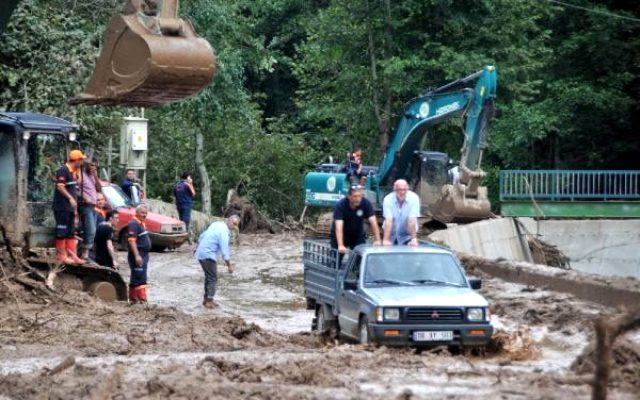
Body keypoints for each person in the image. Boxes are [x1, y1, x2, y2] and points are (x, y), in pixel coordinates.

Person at [194, 215, 240, 308]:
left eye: (236, 225)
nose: (234, 227)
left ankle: (206, 299)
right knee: (213, 278)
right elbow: (224, 251)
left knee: (209, 277)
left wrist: (197, 248)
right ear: (229, 220)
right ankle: (209, 301)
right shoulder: (224, 233)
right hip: (208, 254)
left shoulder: (217, 224)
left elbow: (202, 236)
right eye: (234, 224)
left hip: (201, 253)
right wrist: (229, 266)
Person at [52, 149, 85, 265]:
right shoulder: (63, 170)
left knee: (71, 232)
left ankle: (72, 255)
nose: (82, 163)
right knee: (62, 231)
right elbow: (60, 187)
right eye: (81, 160)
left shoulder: (73, 171)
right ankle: (61, 256)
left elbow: (78, 182)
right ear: (77, 160)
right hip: (62, 206)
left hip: (70, 208)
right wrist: (70, 198)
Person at [330, 185, 381, 255]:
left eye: (360, 196)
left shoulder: (366, 203)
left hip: (357, 235)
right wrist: (340, 245)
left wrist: (377, 240)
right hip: (340, 235)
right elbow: (339, 226)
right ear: (349, 196)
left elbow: (373, 221)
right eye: (355, 196)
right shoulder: (340, 205)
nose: (358, 199)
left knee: (360, 258)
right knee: (335, 260)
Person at [382, 179, 420, 247]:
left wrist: (414, 239)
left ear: (407, 189)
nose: (402, 192)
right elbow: (389, 220)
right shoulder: (387, 199)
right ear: (394, 190)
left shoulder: (414, 198)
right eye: (399, 189)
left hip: (407, 236)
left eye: (404, 189)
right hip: (391, 235)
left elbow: (411, 220)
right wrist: (385, 240)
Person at [127, 204, 152, 303]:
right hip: (138, 255)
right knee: (139, 276)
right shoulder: (133, 224)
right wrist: (137, 256)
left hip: (144, 254)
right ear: (136, 212)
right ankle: (141, 299)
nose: (144, 215)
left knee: (139, 275)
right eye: (142, 213)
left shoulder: (141, 223)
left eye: (146, 213)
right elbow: (132, 241)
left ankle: (134, 299)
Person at [77, 159, 102, 259]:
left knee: (93, 230)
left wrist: (95, 176)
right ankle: (85, 252)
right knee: (90, 229)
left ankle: (83, 250)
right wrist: (83, 196)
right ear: (86, 165)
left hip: (93, 206)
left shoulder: (92, 176)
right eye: (92, 165)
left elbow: (99, 188)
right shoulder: (81, 175)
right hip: (85, 205)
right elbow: (75, 189)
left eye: (95, 166)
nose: (93, 168)